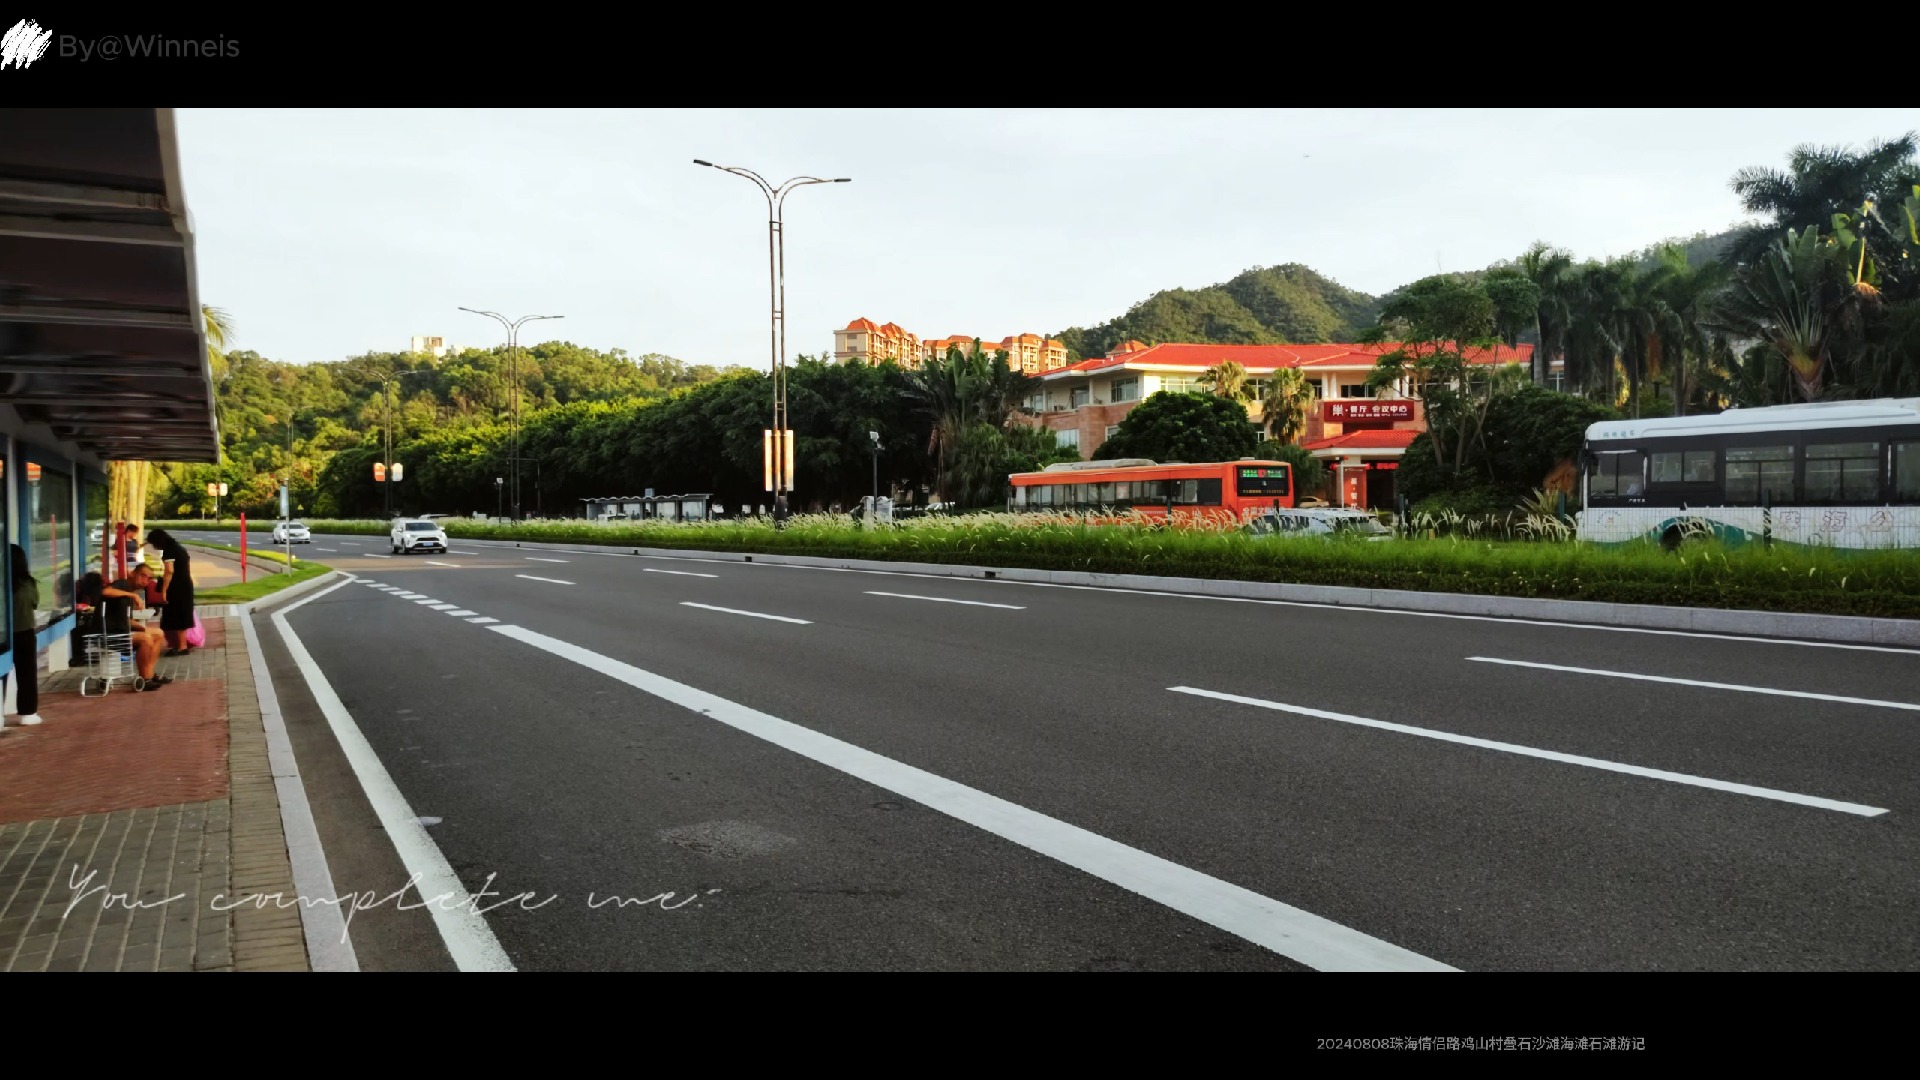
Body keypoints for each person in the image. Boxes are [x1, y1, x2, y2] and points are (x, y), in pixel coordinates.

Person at [100, 564, 169, 690]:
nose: (145, 581)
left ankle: (150, 674)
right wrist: (133, 596)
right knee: (145, 639)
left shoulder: (127, 593)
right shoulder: (123, 585)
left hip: (120, 631)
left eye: (149, 579)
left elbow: (127, 621)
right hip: (107, 634)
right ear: (132, 573)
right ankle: (145, 679)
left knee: (158, 633)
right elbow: (105, 591)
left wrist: (141, 628)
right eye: (143, 575)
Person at [145, 529, 196, 656]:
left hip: (176, 587)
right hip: (186, 585)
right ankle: (182, 645)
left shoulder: (169, 551)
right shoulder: (180, 548)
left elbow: (169, 571)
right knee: (182, 614)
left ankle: (178, 646)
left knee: (175, 615)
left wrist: (163, 590)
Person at [8, 545, 43, 726]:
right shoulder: (29, 583)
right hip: (25, 632)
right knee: (27, 674)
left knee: (2, 673)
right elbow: (35, 603)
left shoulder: (3, 583)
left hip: (3, 634)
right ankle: (28, 713)